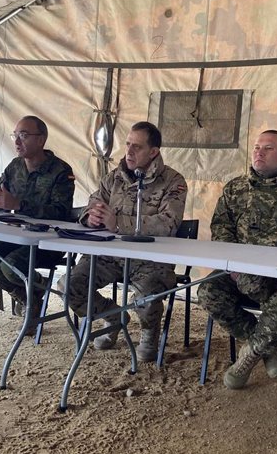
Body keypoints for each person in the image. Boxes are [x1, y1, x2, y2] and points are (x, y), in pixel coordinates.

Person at [197, 130, 277, 389]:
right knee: (208, 291)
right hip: (238, 272)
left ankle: (249, 356)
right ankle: (266, 348)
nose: (258, 152)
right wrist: (234, 267)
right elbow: (221, 230)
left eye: (268, 148)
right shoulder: (235, 188)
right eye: (256, 147)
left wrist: (273, 271)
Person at [62, 121, 187, 362]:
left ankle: (149, 332)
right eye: (128, 144)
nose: (128, 151)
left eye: (137, 147)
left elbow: (168, 223)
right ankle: (112, 317)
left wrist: (119, 222)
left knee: (147, 296)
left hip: (150, 260)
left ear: (154, 152)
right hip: (108, 255)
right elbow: (92, 204)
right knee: (69, 285)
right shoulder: (113, 178)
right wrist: (92, 217)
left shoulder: (173, 181)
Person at [0, 115, 75, 325]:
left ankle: (34, 293)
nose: (17, 141)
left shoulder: (61, 171)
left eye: (24, 135)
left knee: (10, 265)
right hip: (17, 234)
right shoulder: (15, 166)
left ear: (41, 140)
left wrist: (18, 204)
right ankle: (29, 296)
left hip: (49, 241)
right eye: (15, 135)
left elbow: (61, 212)